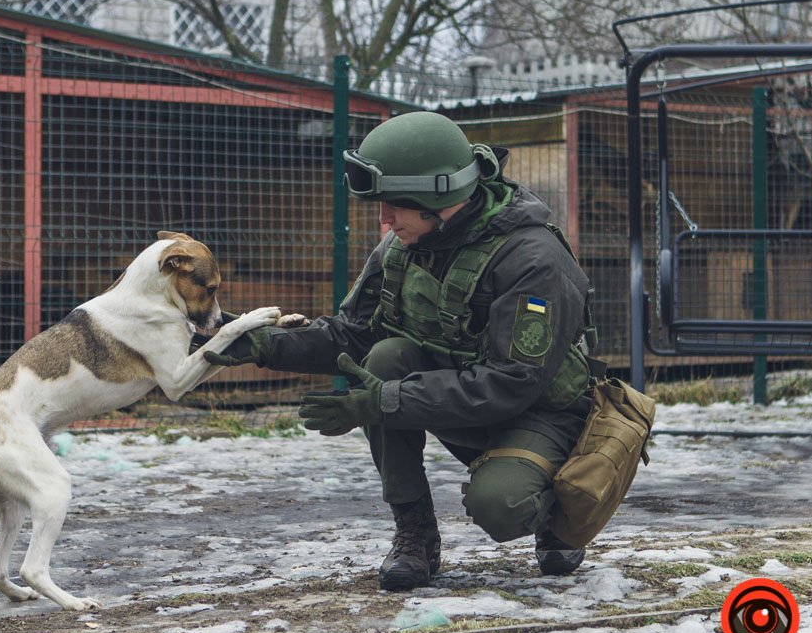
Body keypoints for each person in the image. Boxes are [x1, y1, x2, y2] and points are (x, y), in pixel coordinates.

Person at [205, 111, 598, 591]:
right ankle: (415, 537)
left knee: (501, 506)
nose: (383, 220)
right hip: (461, 396)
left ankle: (560, 518)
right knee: (383, 360)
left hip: (542, 413)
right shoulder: (403, 245)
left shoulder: (531, 259)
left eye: (393, 206)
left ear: (437, 201)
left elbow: (512, 382)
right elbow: (351, 335)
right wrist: (259, 343)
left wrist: (385, 402)